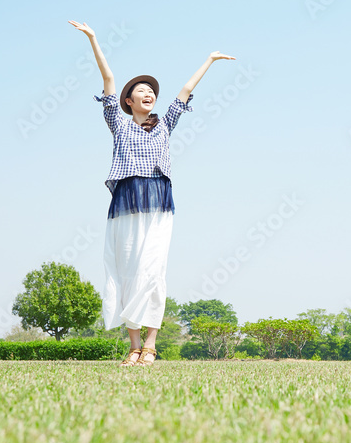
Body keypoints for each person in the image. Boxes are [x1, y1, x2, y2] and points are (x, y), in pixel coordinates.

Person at [68, 20, 235, 366]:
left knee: (153, 270)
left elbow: (185, 92)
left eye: (152, 91)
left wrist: (210, 60)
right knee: (126, 269)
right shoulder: (118, 122)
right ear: (129, 101)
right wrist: (94, 39)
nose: (149, 94)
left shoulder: (165, 124)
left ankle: (151, 344)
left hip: (158, 201)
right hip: (126, 201)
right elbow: (109, 81)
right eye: (141, 91)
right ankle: (132, 346)